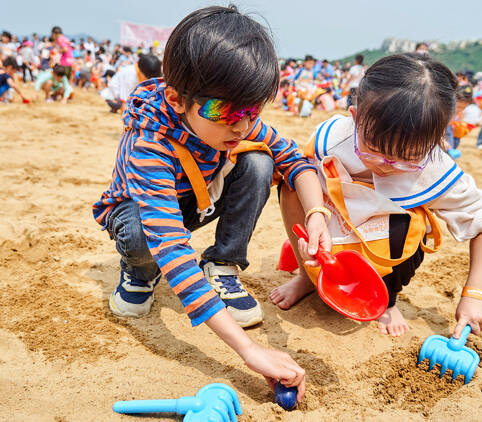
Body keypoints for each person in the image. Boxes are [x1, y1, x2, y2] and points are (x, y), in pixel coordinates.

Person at [92, 6, 332, 401]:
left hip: (196, 202)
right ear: (176, 98)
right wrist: (250, 351)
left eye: (251, 110)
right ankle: (138, 272)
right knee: (141, 233)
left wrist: (317, 215)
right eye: (225, 112)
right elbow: (170, 245)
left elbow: (295, 159)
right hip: (140, 214)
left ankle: (222, 263)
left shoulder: (237, 121)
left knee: (259, 161)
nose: (239, 125)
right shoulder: (149, 146)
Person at [270, 53, 482, 339]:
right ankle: (305, 277)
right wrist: (315, 216)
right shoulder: (332, 137)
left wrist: (474, 294)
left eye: (406, 158)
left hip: (383, 247)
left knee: (416, 226)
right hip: (332, 230)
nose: (384, 163)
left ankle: (387, 300)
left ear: (436, 142)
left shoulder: (434, 168)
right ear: (356, 119)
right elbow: (302, 173)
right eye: (373, 148)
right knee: (293, 186)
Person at [446, 85, 482, 155]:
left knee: (456, 141)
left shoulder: (461, 113)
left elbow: (460, 120)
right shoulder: (446, 111)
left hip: (454, 134)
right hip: (445, 132)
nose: (459, 109)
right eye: (458, 106)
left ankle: (450, 152)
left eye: (463, 107)